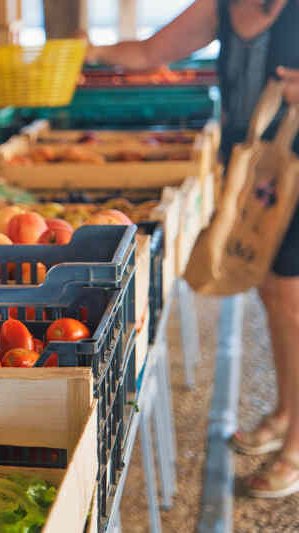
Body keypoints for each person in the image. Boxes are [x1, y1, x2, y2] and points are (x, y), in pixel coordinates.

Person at [86, 0, 299, 498]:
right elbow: (152, 50)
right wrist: (88, 50)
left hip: (293, 170)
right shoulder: (223, 5)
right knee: (271, 293)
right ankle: (288, 410)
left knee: (291, 302)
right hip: (251, 173)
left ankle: (297, 444)